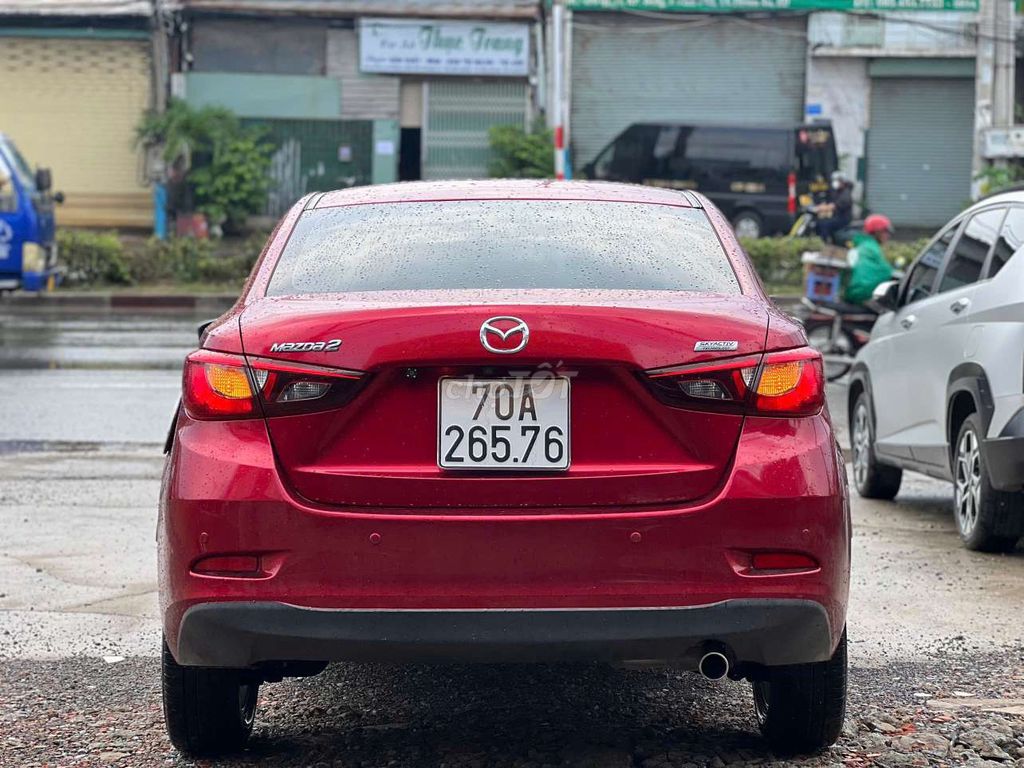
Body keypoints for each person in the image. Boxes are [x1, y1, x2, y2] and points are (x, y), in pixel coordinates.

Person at [844, 214, 895, 306]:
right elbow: (884, 271)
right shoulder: (871, 248)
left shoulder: (863, 245)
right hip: (861, 294)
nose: (888, 236)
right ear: (877, 231)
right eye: (885, 232)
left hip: (854, 292)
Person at [814, 171, 854, 244]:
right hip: (836, 216)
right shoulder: (837, 191)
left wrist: (819, 208)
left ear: (842, 182)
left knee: (824, 224)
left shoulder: (846, 193)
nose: (835, 182)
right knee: (819, 221)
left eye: (837, 180)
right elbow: (829, 201)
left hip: (843, 219)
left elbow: (834, 206)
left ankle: (824, 244)